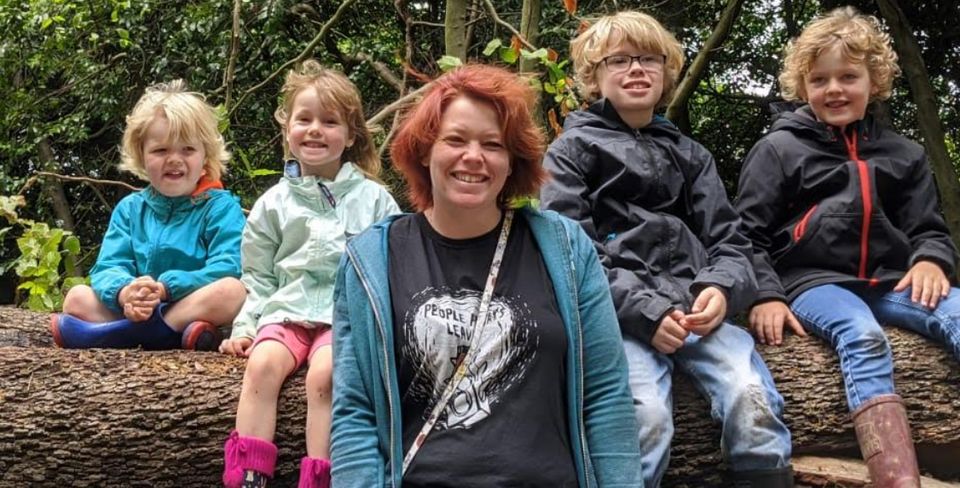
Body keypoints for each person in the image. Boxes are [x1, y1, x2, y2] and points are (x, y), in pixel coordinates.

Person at [330, 64, 642, 487]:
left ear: (512, 162)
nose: (473, 157)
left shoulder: (565, 248)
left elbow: (605, 393)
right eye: (455, 140)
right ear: (425, 150)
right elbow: (356, 409)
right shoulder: (371, 258)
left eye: (493, 145)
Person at [540, 11, 794, 487]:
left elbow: (731, 241)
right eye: (619, 60)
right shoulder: (571, 151)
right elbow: (570, 253)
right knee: (645, 415)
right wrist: (646, 313)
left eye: (649, 59)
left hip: (697, 310)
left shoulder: (693, 156)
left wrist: (721, 289)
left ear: (667, 72)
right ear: (593, 78)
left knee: (750, 395)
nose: (636, 69)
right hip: (619, 320)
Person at [736, 7, 960, 486]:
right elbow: (747, 234)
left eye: (848, 76)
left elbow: (928, 228)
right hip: (813, 282)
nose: (834, 89)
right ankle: (894, 476)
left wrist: (930, 260)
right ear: (803, 86)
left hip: (890, 281)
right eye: (819, 79)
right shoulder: (778, 150)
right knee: (862, 336)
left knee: (959, 313)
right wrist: (766, 294)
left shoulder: (905, 154)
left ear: (874, 82)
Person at [219, 59, 400, 488]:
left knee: (327, 376)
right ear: (287, 130)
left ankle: (321, 478)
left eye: (330, 121)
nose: (315, 129)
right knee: (262, 365)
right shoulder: (274, 203)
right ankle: (249, 475)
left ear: (351, 135)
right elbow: (259, 275)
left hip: (343, 320)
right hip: (286, 313)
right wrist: (245, 326)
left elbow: (391, 270)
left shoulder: (375, 201)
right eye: (304, 119)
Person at [50, 80, 246, 351]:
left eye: (187, 149)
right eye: (161, 150)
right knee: (76, 297)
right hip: (137, 309)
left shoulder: (220, 207)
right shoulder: (131, 209)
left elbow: (229, 265)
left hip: (188, 305)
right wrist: (125, 293)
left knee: (231, 291)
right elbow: (108, 266)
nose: (175, 159)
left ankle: (126, 334)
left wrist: (167, 287)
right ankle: (150, 331)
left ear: (205, 156)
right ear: (142, 156)